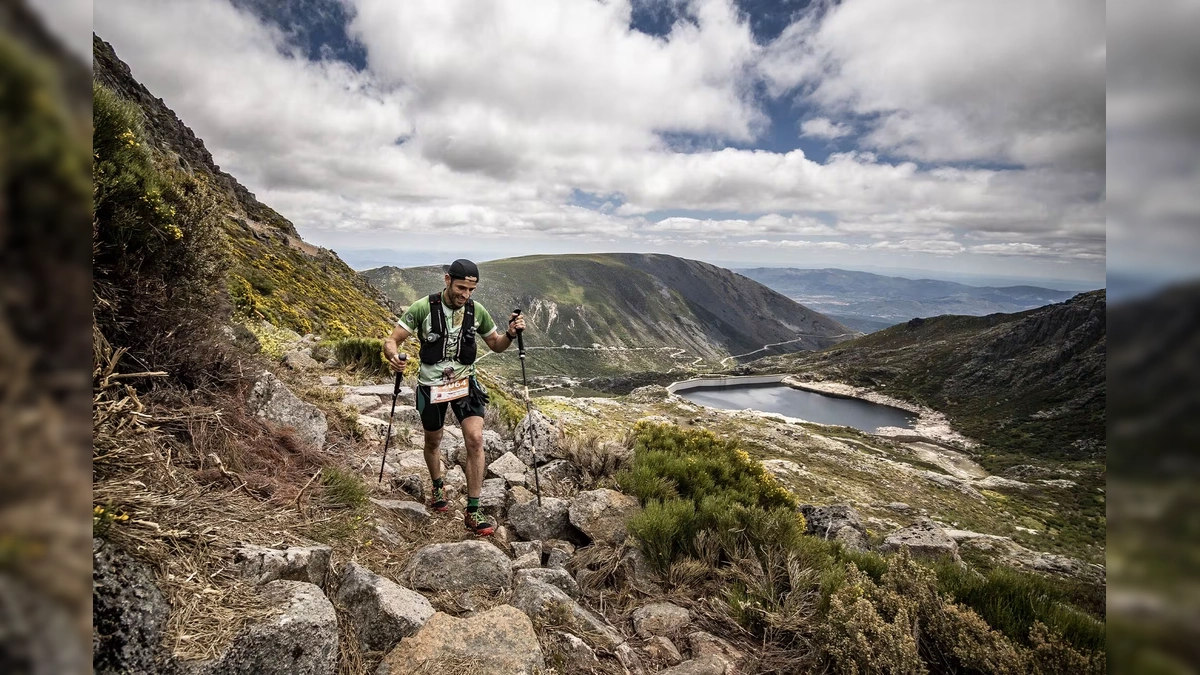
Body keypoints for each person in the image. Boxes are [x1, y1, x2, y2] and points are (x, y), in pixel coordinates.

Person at [382, 259, 526, 537]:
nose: (466, 295)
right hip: (431, 385)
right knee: (433, 441)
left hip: (465, 382)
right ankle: (437, 486)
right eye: (461, 287)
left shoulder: (476, 310)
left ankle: (473, 511)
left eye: (471, 290)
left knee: (475, 439)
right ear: (447, 280)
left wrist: (509, 334)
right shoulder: (423, 307)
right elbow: (392, 340)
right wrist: (393, 357)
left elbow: (495, 345)